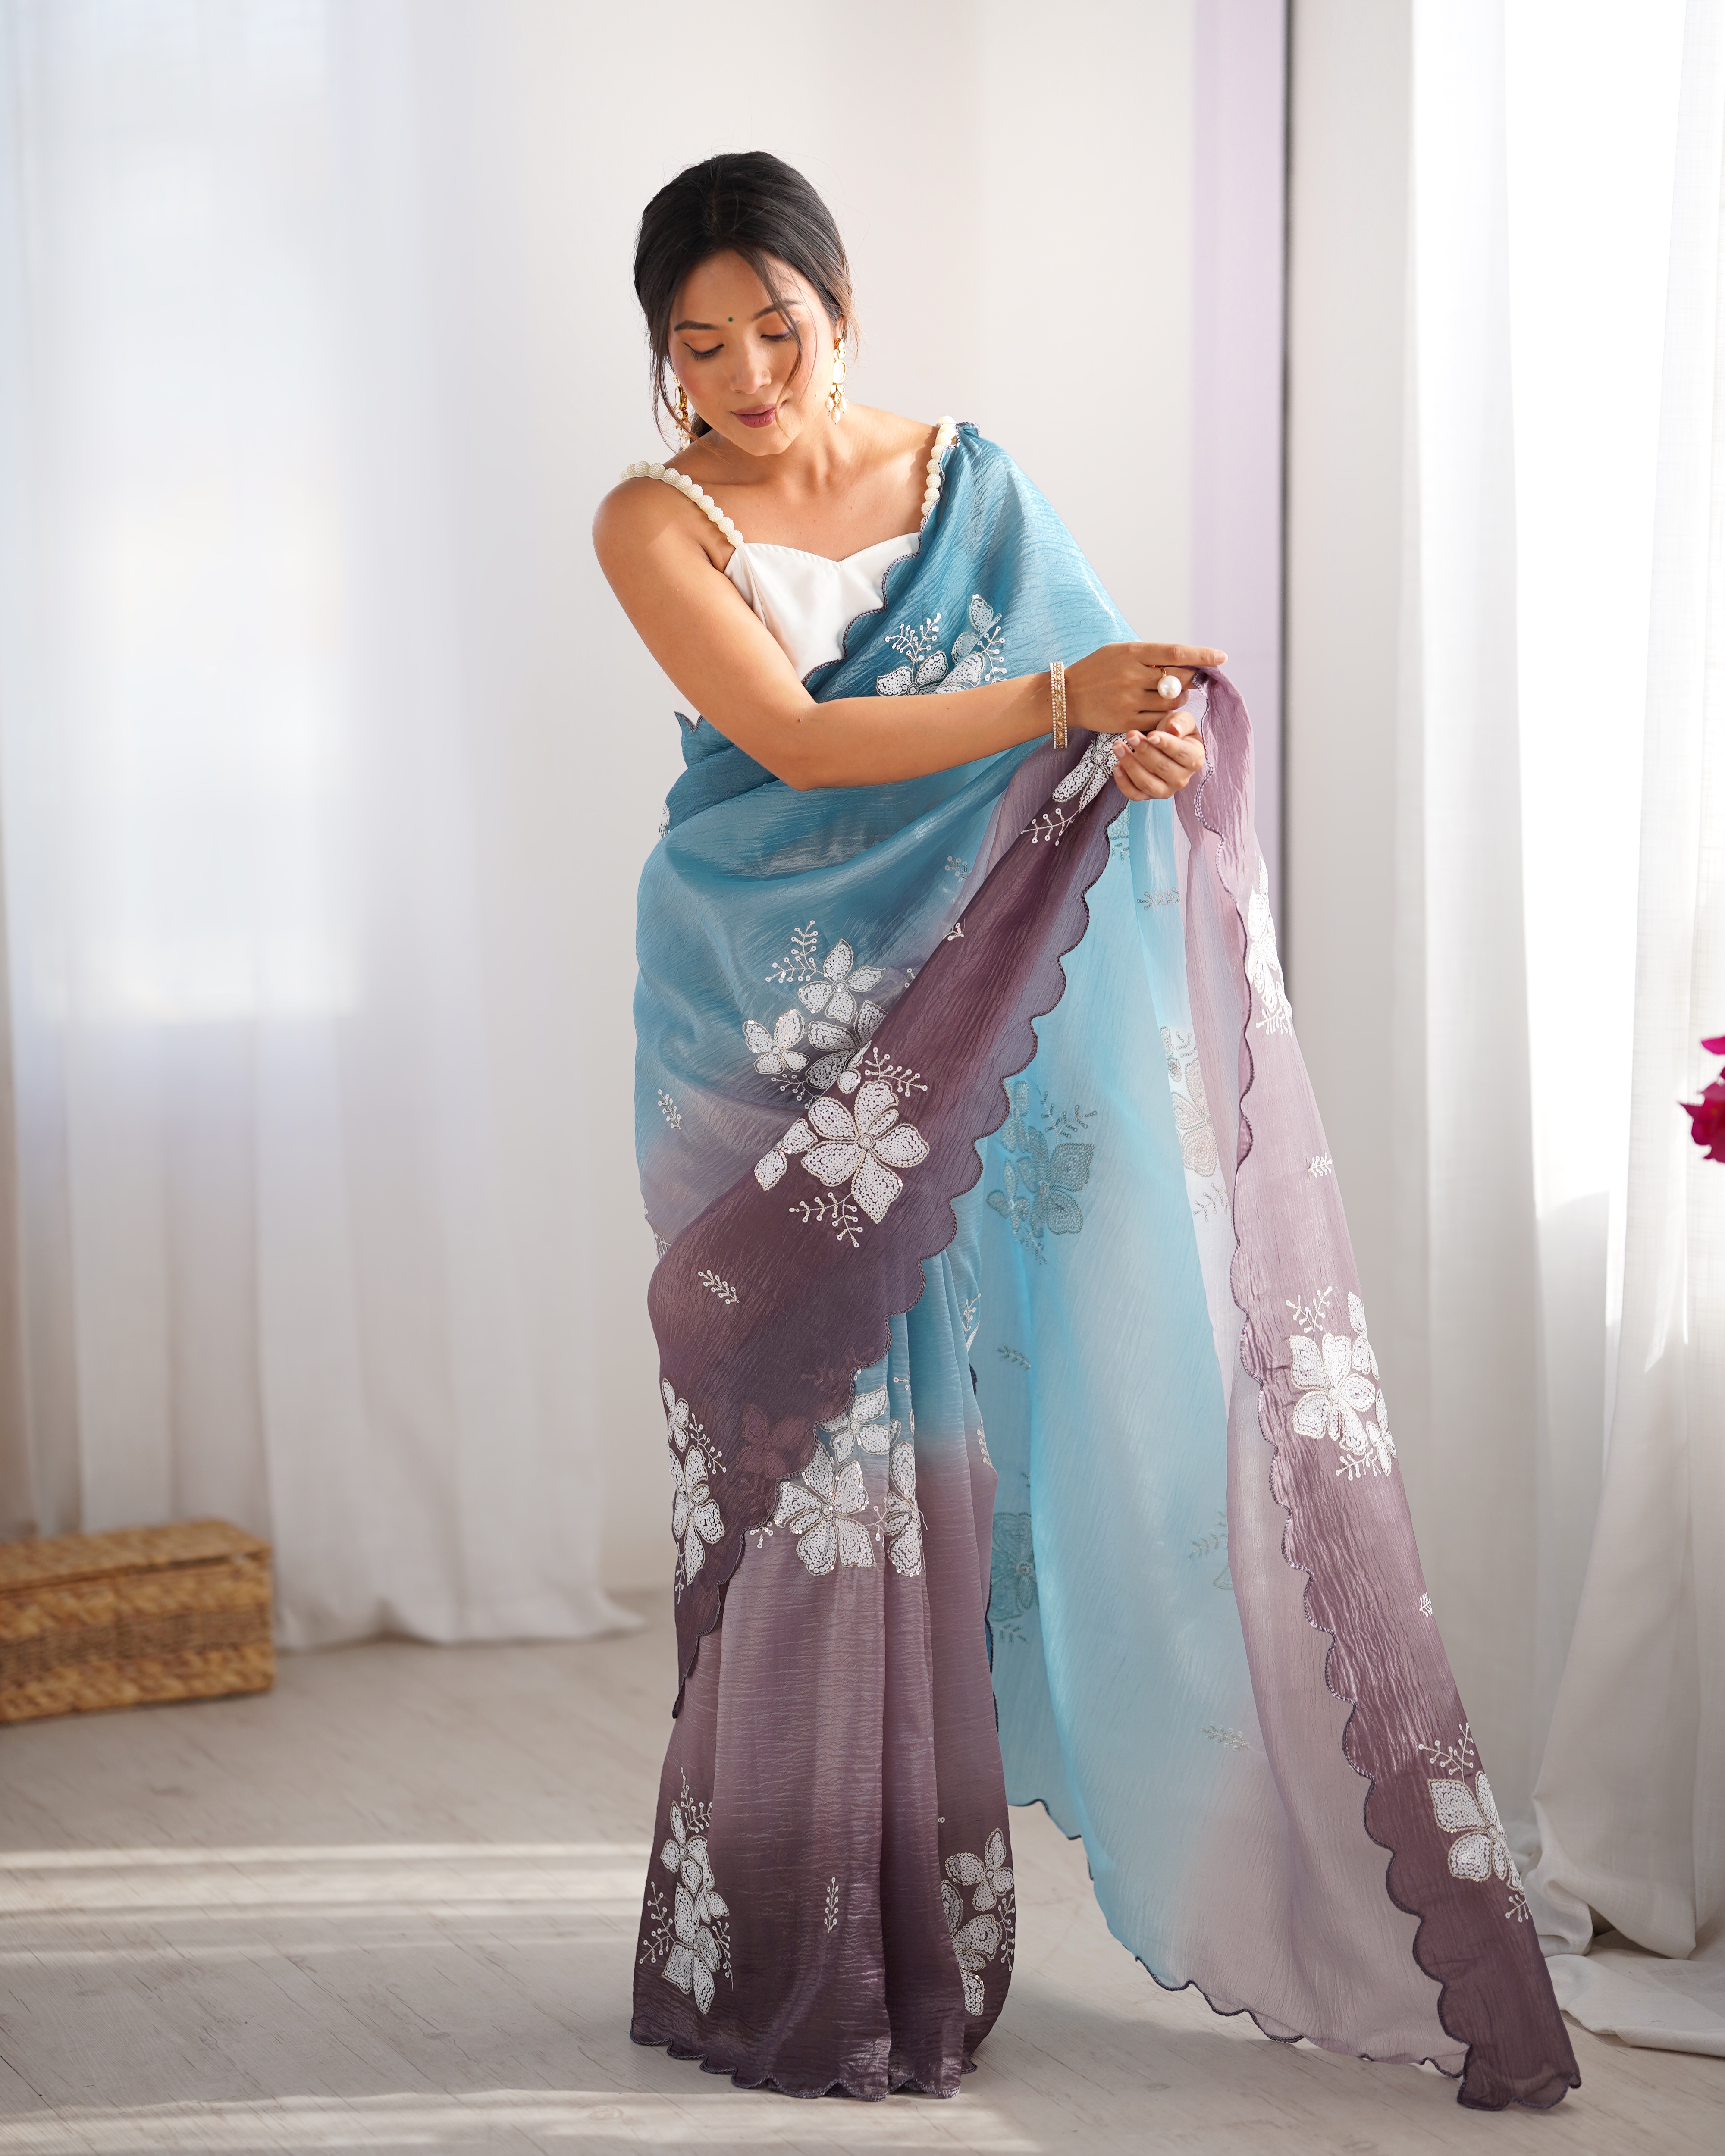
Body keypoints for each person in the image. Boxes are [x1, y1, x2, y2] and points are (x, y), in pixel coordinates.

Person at [594, 150, 1577, 2112]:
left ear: (841, 305)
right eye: (700, 347)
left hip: (963, 1016)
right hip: (762, 1023)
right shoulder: (656, 516)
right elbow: (793, 739)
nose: (748, 377)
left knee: (968, 1458)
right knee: (815, 1475)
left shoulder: (972, 488)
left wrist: (1142, 740)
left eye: (778, 328)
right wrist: (1056, 700)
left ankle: (929, 1929)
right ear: (664, 360)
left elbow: (1113, 721)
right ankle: (791, 1946)